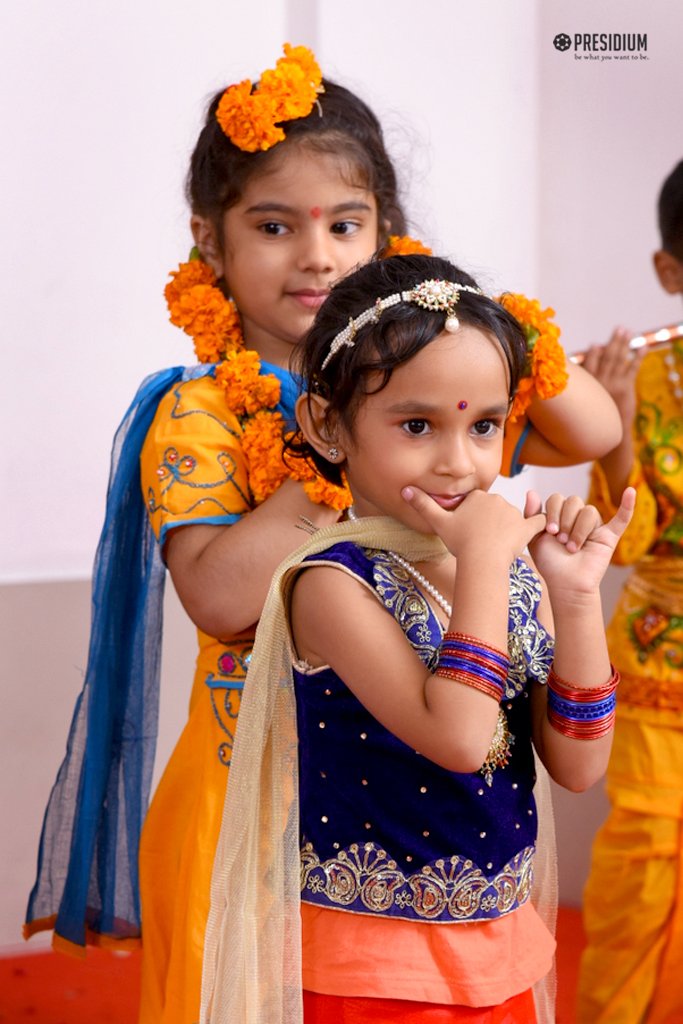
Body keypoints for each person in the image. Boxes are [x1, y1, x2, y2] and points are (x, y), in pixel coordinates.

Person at [23, 44, 621, 1024]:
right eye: (274, 225)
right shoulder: (206, 410)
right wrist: (332, 467)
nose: (315, 255)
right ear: (209, 244)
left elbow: (590, 429)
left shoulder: (432, 410)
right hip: (246, 794)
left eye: (346, 225)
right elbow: (219, 600)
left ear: (384, 232)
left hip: (446, 827)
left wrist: (458, 315)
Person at [200, 253, 635, 1024]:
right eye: (415, 425)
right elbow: (460, 738)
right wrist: (489, 567)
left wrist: (571, 598)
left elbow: (576, 766)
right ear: (328, 425)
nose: (458, 462)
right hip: (373, 973)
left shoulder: (497, 568)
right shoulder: (330, 583)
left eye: (485, 426)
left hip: (497, 945)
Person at [577, 159, 683, 1024]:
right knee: (640, 864)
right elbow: (625, 544)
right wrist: (609, 430)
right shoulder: (647, 378)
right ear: (669, 274)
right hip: (657, 663)